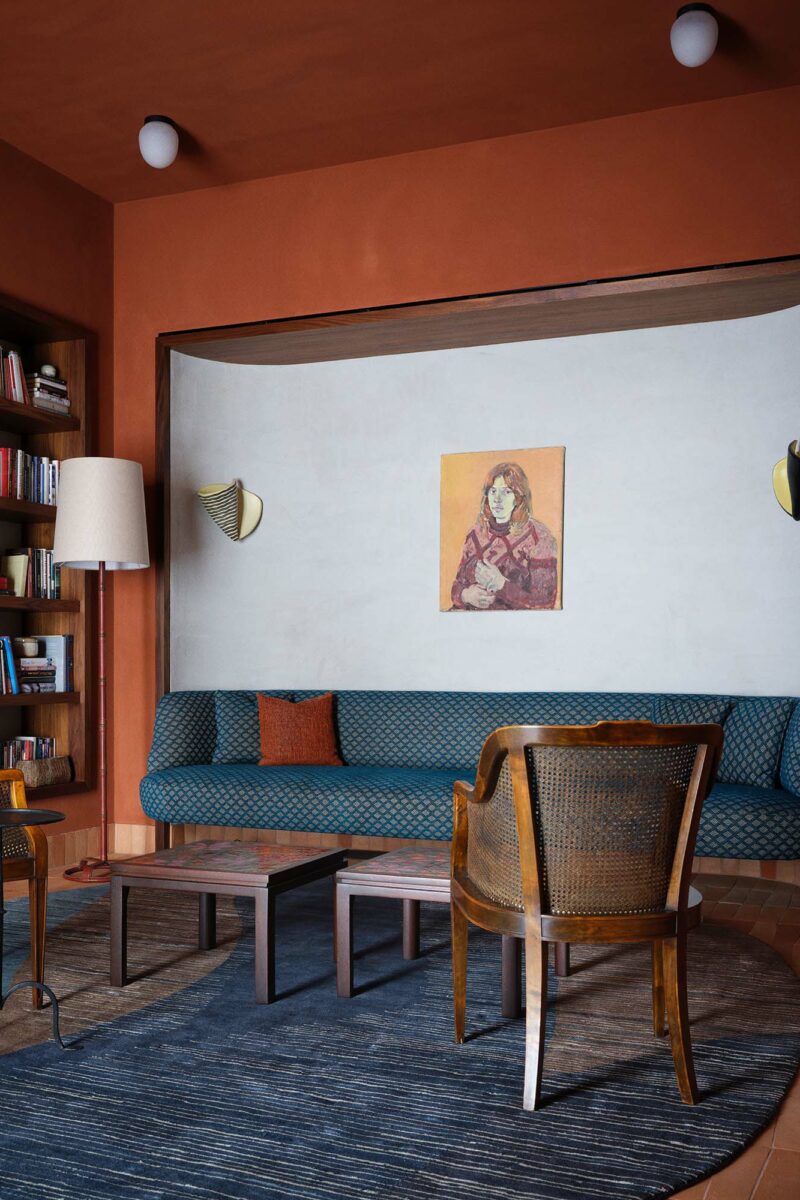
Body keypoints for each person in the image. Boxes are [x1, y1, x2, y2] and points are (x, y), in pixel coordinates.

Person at [450, 461, 558, 610]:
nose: (497, 499)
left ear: (518, 497)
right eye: (493, 491)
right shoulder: (475, 533)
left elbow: (545, 602)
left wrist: (502, 585)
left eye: (506, 492)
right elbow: (457, 585)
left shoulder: (539, 537)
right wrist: (466, 595)